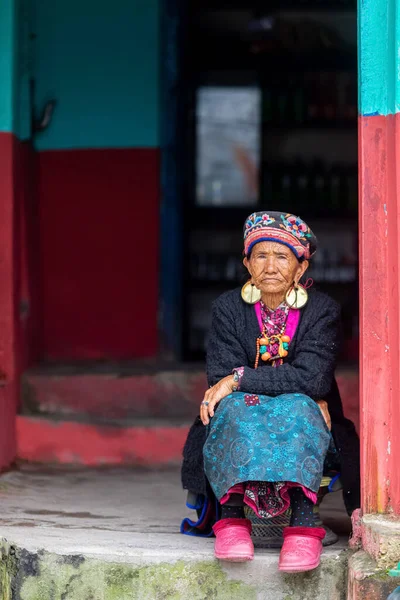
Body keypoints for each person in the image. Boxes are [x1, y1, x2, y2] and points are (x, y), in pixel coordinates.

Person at [181, 211, 360, 573]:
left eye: (282, 257)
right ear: (247, 263)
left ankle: (303, 522)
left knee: (298, 407)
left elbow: (312, 380)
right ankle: (231, 521)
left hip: (305, 414)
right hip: (242, 411)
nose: (271, 266)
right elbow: (220, 375)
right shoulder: (228, 309)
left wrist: (240, 378)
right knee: (234, 408)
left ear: (299, 267)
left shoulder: (322, 311)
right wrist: (240, 383)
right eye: (261, 255)